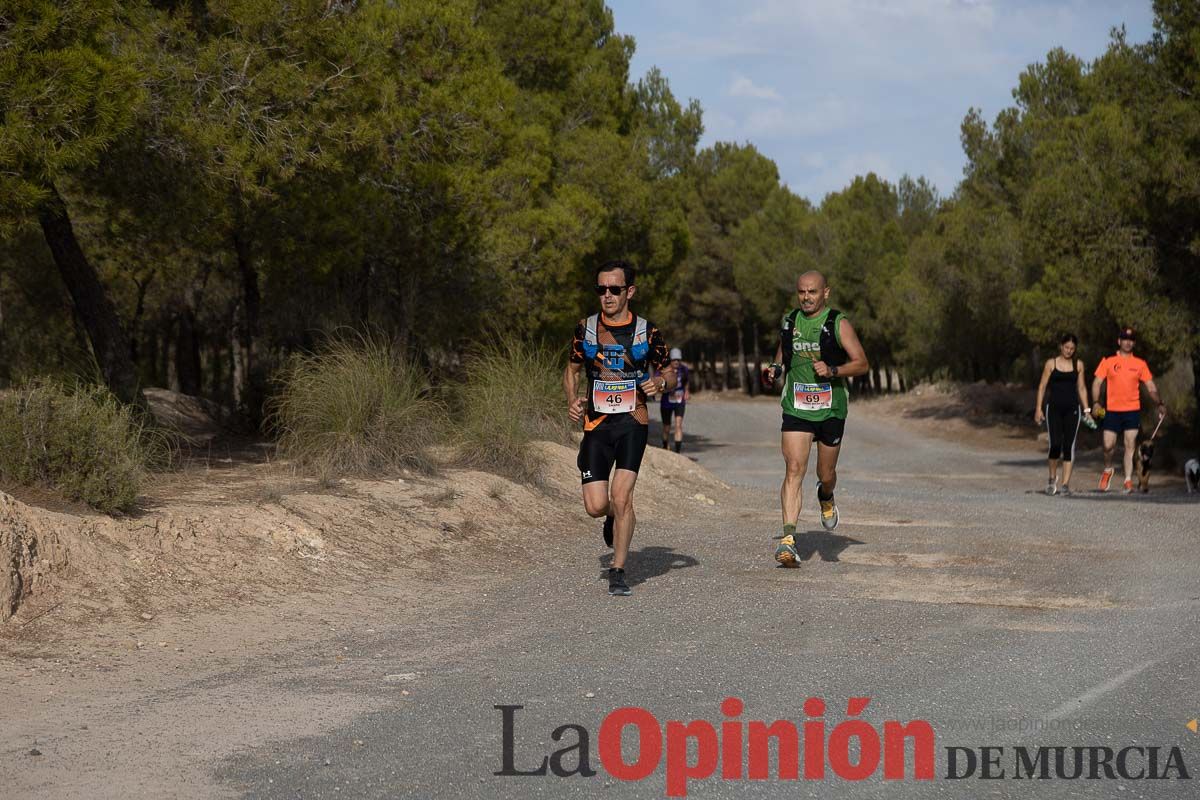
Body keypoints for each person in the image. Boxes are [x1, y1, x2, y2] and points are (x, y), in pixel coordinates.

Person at [563, 260, 675, 595]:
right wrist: (571, 399)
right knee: (597, 506)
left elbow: (669, 372)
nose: (607, 295)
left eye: (614, 289)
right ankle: (616, 515)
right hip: (596, 425)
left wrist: (661, 384)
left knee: (622, 494)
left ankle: (618, 570)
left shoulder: (647, 332)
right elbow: (571, 369)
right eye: (601, 289)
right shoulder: (586, 329)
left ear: (630, 291)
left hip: (633, 422)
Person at [762, 271, 869, 567]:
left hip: (831, 408)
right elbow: (785, 347)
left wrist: (833, 371)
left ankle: (826, 495)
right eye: (801, 292)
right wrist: (775, 367)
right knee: (794, 468)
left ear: (826, 293)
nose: (806, 297)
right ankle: (788, 539)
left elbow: (861, 363)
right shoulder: (790, 320)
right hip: (797, 406)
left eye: (812, 292)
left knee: (825, 474)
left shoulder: (838, 323)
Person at [1091, 326, 1166, 493]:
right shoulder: (1108, 362)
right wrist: (1096, 402)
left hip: (1132, 410)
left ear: (1134, 343)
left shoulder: (1140, 364)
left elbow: (1151, 386)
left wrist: (1159, 403)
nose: (1127, 342)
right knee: (1108, 445)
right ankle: (1108, 469)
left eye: (1131, 340)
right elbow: (1096, 383)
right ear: (1119, 341)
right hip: (1111, 410)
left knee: (1130, 444)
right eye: (1124, 339)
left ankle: (1127, 480)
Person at [1033, 333, 1093, 496]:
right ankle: (1052, 479)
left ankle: (1065, 484)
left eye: (1072, 348)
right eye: (1066, 347)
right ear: (1061, 346)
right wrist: (1038, 408)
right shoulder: (1051, 364)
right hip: (1053, 409)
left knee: (1069, 446)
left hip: (1072, 410)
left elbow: (1081, 388)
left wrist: (1087, 410)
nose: (1069, 351)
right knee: (1055, 445)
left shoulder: (1078, 365)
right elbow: (1042, 386)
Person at [660, 348, 690, 452]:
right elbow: (657, 382)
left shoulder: (684, 369)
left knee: (678, 425)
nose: (676, 362)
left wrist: (686, 391)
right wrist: (663, 390)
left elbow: (686, 381)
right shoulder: (664, 370)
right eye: (674, 360)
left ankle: (677, 451)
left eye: (678, 360)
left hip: (679, 400)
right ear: (670, 360)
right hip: (666, 401)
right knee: (667, 427)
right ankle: (665, 447)